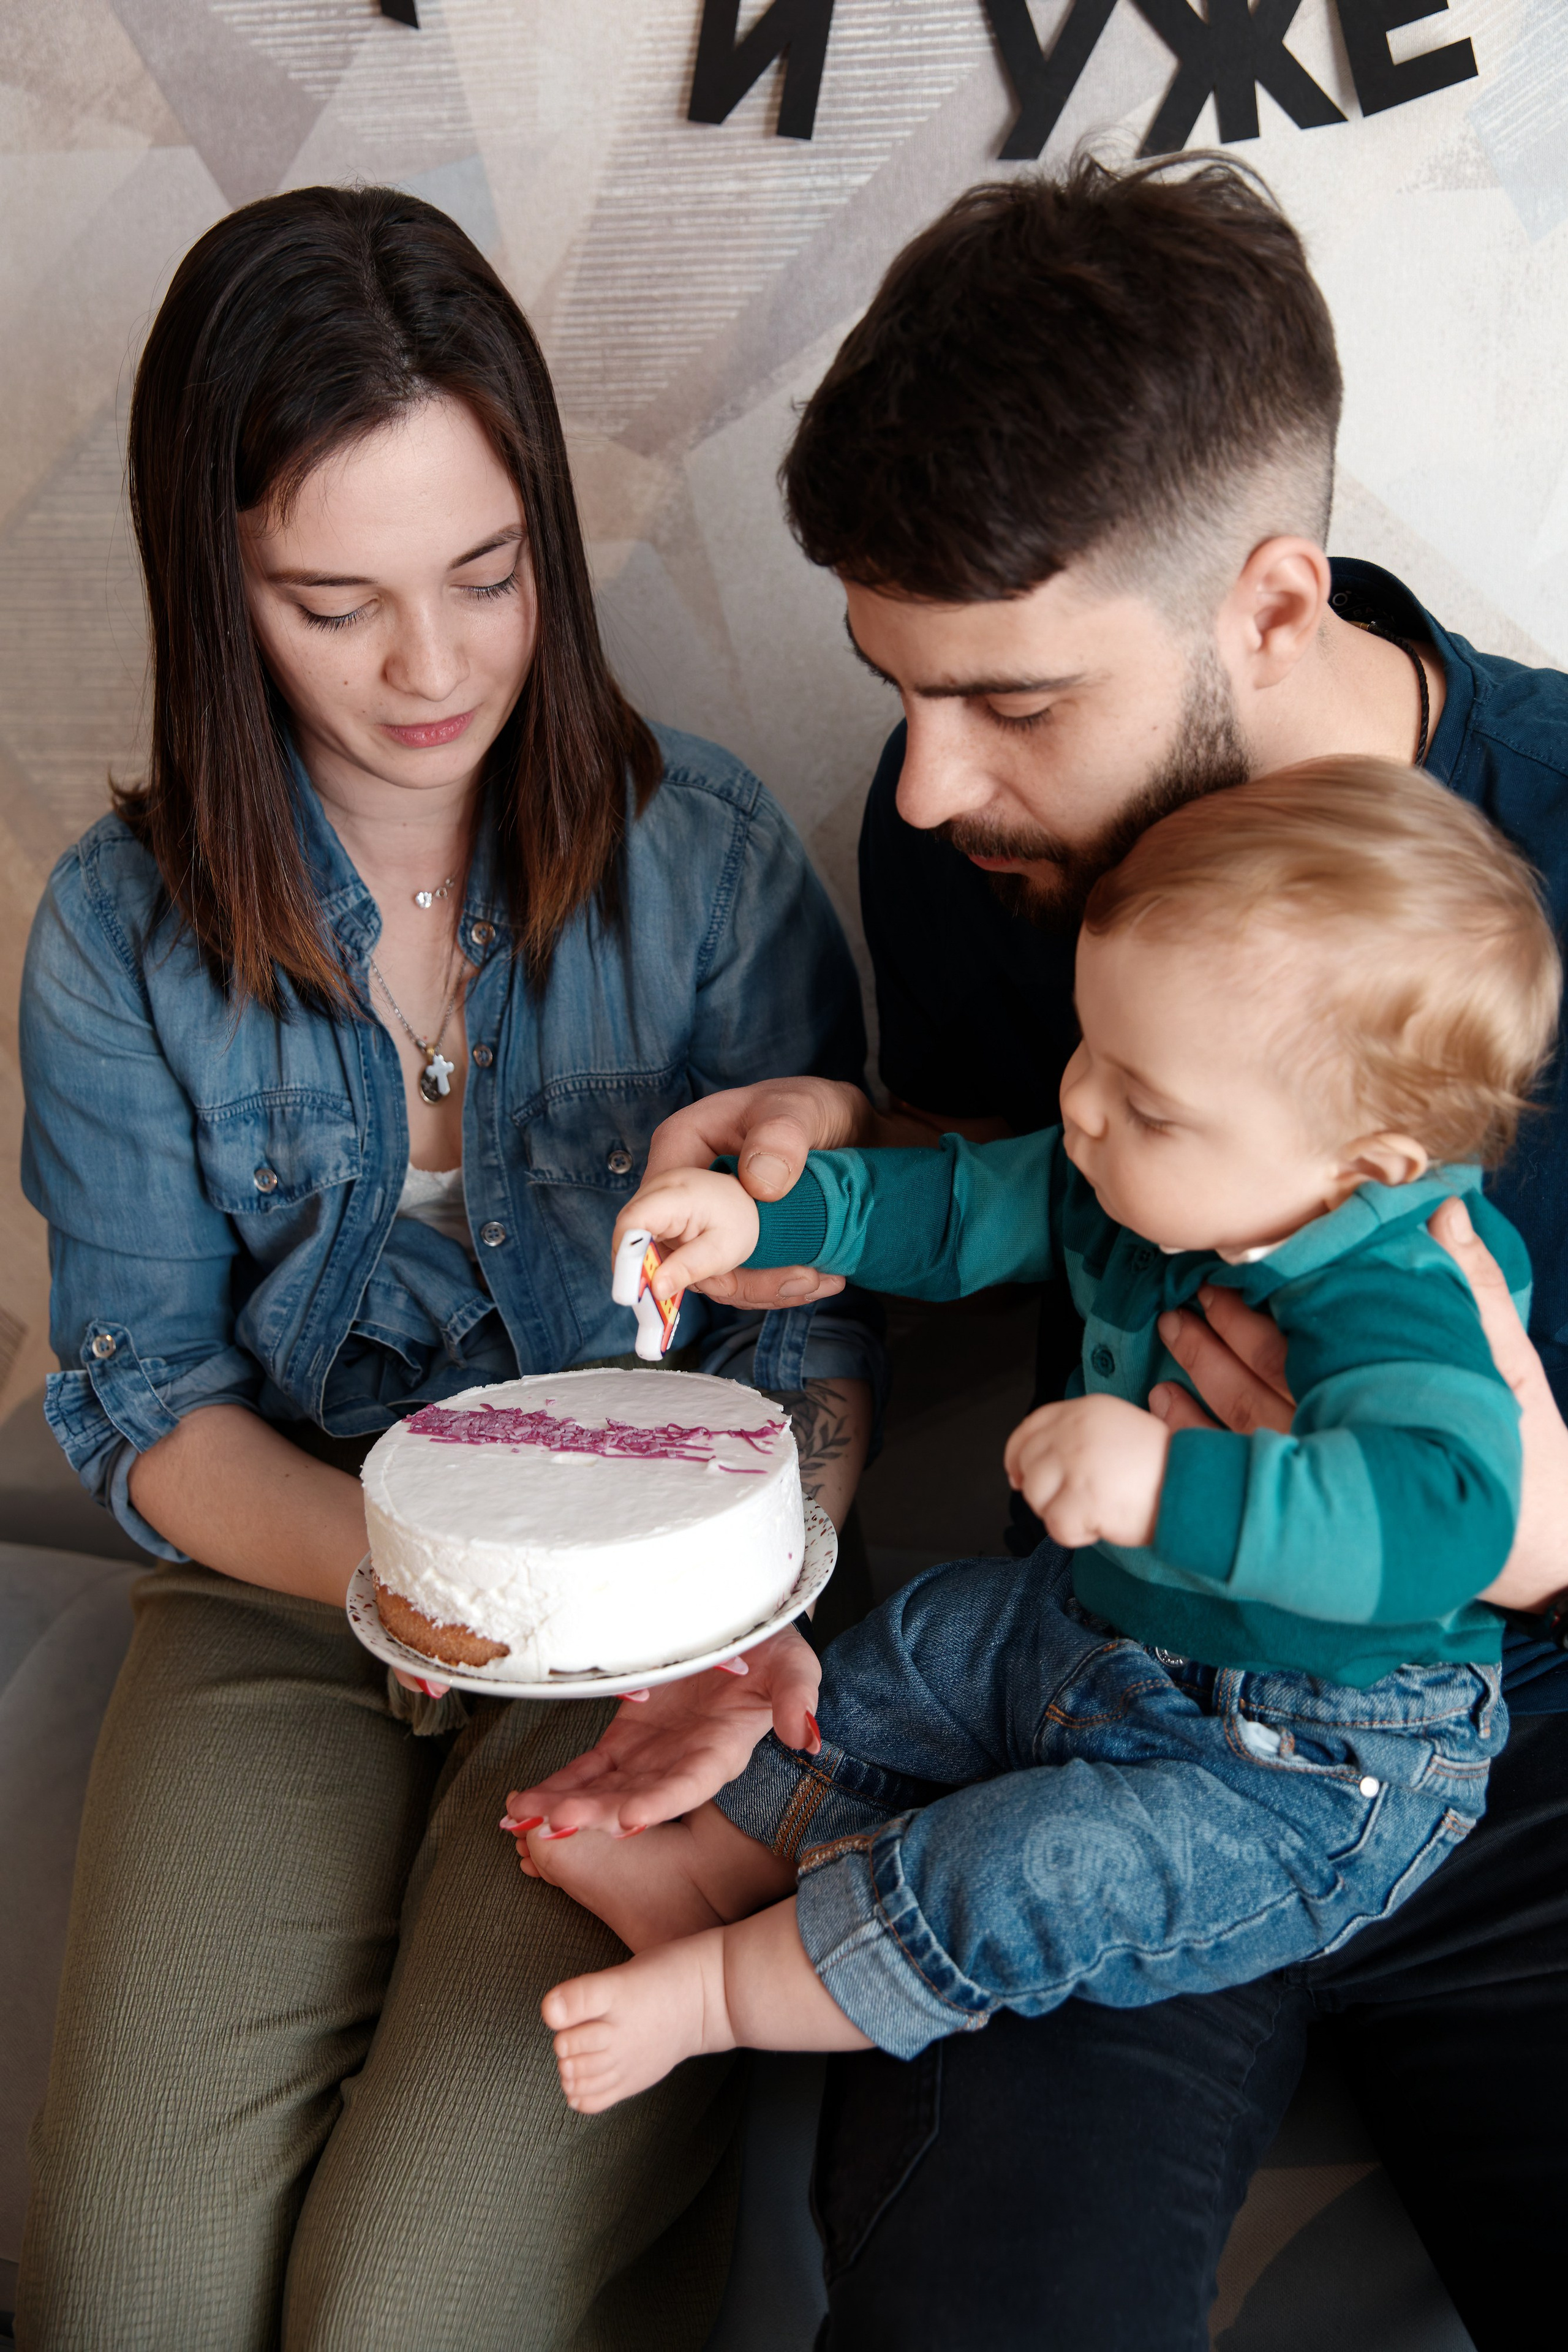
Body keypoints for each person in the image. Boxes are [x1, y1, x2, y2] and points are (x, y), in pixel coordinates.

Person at [519, 160, 1568, 2350]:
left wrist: (1531, 1527)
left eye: (1006, 697)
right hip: (1101, 1714)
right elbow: (1024, 1195)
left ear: (1269, 609)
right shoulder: (986, 860)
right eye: (900, 689)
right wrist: (846, 1161)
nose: (918, 789)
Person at [14, 186, 880, 2352]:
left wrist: (742, 1606)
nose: (431, 669)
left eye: (486, 577)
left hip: (655, 1632)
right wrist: (421, 1598)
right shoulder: (120, 937)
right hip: (285, 1592)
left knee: (415, 2308)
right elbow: (147, 1405)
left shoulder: (704, 871)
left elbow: (822, 1343)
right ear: (217, 590)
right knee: (123, 2299)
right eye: (332, 601)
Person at [510, 755, 1545, 2109]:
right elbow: (952, 1213)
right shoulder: (1142, 1171)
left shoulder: (1404, 1293)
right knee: (909, 1655)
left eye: (1146, 1100)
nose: (1079, 1108)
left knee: (1031, 1869)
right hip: (1097, 1630)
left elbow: (1443, 1516)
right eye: (1086, 1048)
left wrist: (1169, 1478)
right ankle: (723, 1871)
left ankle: (721, 1994)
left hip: (1306, 1758)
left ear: (1367, 1161)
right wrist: (767, 1220)